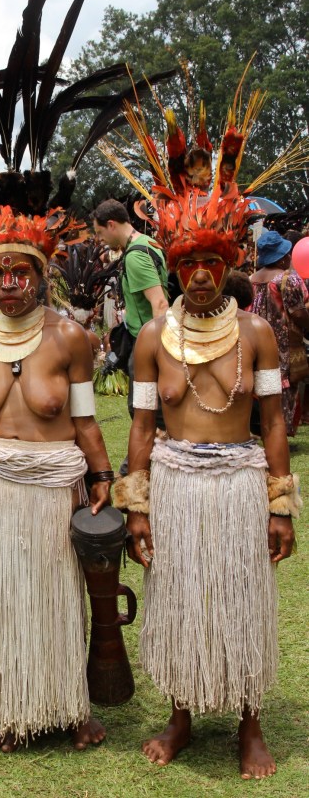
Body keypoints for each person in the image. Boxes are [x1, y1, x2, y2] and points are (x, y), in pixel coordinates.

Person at [105, 84, 299, 780]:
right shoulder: (153, 337)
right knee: (180, 598)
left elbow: (272, 421)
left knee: (242, 599)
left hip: (239, 481)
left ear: (228, 263)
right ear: (174, 264)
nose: (198, 276)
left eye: (210, 264)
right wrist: (136, 503)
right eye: (187, 264)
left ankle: (248, 722)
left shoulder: (256, 334)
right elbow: (140, 424)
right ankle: (182, 715)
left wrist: (279, 506)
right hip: (177, 483)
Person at [0, 205, 113, 752]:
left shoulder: (70, 338)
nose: (8, 285)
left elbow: (85, 421)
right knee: (0, 597)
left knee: (57, 597)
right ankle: (9, 705)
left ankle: (70, 706)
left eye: (20, 273)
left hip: (50, 490)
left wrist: (103, 477)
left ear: (42, 275)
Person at [92, 199, 168, 419]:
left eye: (100, 232)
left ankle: (147, 451)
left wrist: (157, 352)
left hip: (147, 342)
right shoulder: (148, 242)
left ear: (112, 225)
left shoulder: (136, 256)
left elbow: (160, 303)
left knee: (143, 408)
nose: (100, 239)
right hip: (143, 338)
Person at [249, 230, 309, 436]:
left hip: (254, 340)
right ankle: (278, 433)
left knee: (259, 384)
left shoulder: (251, 279)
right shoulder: (287, 279)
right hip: (283, 344)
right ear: (283, 257)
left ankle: (261, 429)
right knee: (284, 386)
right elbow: (298, 313)